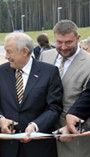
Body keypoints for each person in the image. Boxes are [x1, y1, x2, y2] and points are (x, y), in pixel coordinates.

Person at [0, 32, 63, 157]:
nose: (6, 56)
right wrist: (0, 120)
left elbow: (54, 107)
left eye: (9, 52)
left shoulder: (49, 72)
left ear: (25, 52)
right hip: (7, 148)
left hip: (39, 148)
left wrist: (35, 126)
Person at [40, 19, 90, 157]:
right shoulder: (45, 56)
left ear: (78, 39)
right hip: (43, 134)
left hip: (74, 140)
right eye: (59, 42)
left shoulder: (88, 63)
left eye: (68, 42)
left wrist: (74, 128)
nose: (63, 47)